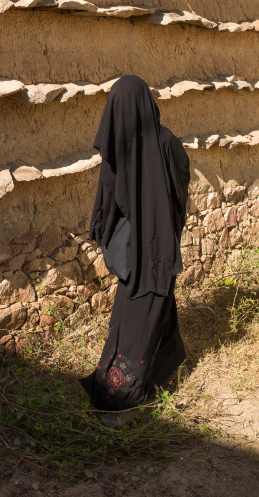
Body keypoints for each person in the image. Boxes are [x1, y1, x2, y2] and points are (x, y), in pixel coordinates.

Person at [79, 75, 190, 425]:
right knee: (143, 319)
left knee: (133, 326)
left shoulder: (119, 148)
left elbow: (108, 202)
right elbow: (180, 187)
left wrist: (106, 233)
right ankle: (140, 386)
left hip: (133, 257)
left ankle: (124, 400)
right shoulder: (168, 143)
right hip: (160, 254)